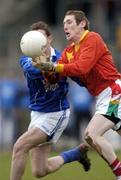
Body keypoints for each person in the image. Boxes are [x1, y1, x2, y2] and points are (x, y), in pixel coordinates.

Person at [34, 10, 121, 180]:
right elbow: (54, 78)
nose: (65, 26)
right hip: (103, 96)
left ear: (82, 24)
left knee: (92, 134)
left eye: (69, 22)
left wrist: (53, 67)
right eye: (64, 23)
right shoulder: (68, 51)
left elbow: (82, 67)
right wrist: (44, 66)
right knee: (92, 137)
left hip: (114, 91)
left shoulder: (92, 38)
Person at [10, 21, 91, 180]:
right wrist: (49, 67)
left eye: (41, 37)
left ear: (50, 38)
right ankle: (75, 154)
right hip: (37, 113)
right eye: (34, 38)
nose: (38, 42)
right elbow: (32, 70)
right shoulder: (26, 59)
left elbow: (76, 73)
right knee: (40, 170)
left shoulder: (62, 58)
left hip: (56, 113)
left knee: (19, 147)